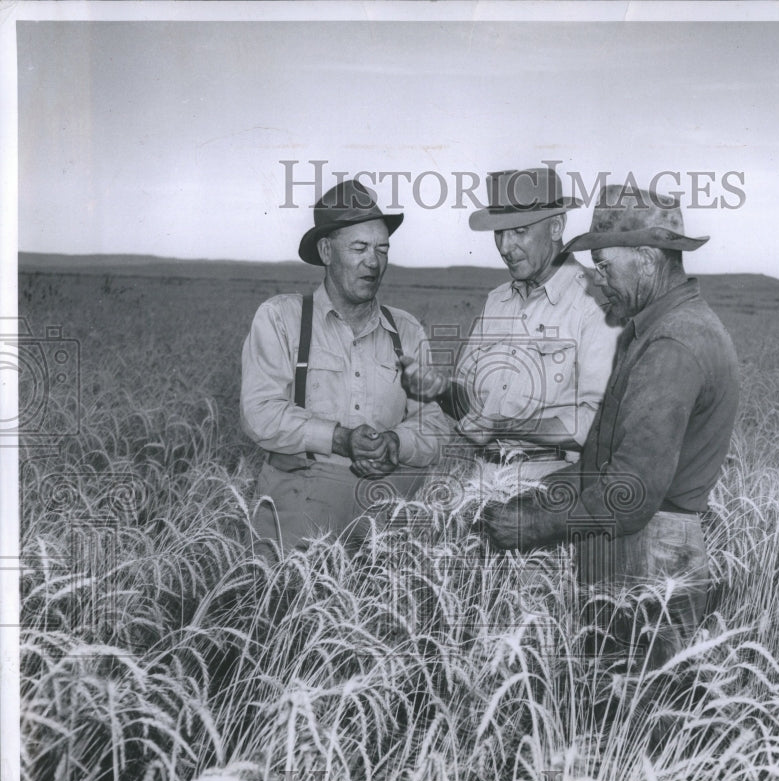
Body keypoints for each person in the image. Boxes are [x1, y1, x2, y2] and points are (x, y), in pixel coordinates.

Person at [481, 183, 740, 671]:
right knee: (614, 711)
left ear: (645, 257)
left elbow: (631, 492)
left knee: (633, 716)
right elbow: (598, 459)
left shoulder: (673, 346)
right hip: (635, 551)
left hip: (651, 557)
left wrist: (535, 524)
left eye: (604, 266)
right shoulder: (653, 331)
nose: (598, 281)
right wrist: (532, 500)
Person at [241, 180, 450, 555]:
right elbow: (259, 413)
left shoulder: (407, 330)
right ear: (326, 251)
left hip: (386, 519)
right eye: (359, 248)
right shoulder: (281, 318)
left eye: (382, 249)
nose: (374, 262)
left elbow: (433, 426)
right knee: (283, 607)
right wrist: (340, 439)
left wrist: (395, 443)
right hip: (298, 519)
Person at [399, 166, 620, 485]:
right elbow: (471, 410)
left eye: (519, 231)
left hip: (552, 487)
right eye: (498, 233)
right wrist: (440, 389)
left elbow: (598, 423)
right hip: (480, 481)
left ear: (556, 226)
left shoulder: (594, 304)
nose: (504, 247)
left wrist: (506, 427)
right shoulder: (497, 300)